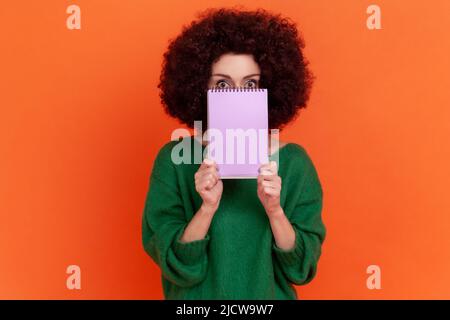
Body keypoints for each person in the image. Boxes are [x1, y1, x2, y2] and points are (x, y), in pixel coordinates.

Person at [142, 7, 326, 299]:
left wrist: (275, 211)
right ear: (202, 88)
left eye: (251, 83)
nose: (238, 95)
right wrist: (206, 208)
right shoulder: (174, 160)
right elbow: (178, 266)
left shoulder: (293, 164)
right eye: (223, 84)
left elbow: (300, 269)